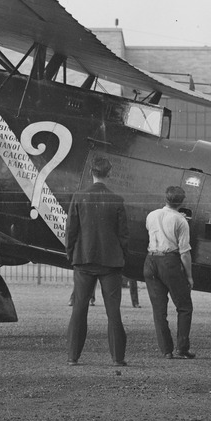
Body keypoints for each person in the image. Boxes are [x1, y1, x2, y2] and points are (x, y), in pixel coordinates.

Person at [64, 155, 129, 369]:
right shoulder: (117, 200)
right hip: (110, 263)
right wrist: (121, 255)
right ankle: (117, 358)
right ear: (109, 174)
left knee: (79, 309)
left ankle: (73, 357)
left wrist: (70, 253)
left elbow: (71, 230)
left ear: (92, 172)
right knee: (113, 312)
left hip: (83, 259)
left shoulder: (79, 196)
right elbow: (123, 235)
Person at [143, 186, 195, 359]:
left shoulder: (151, 215)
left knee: (159, 309)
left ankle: (166, 350)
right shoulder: (181, 221)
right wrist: (189, 276)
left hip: (150, 260)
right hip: (169, 261)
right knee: (184, 306)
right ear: (182, 202)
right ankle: (182, 348)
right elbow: (185, 252)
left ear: (165, 198)